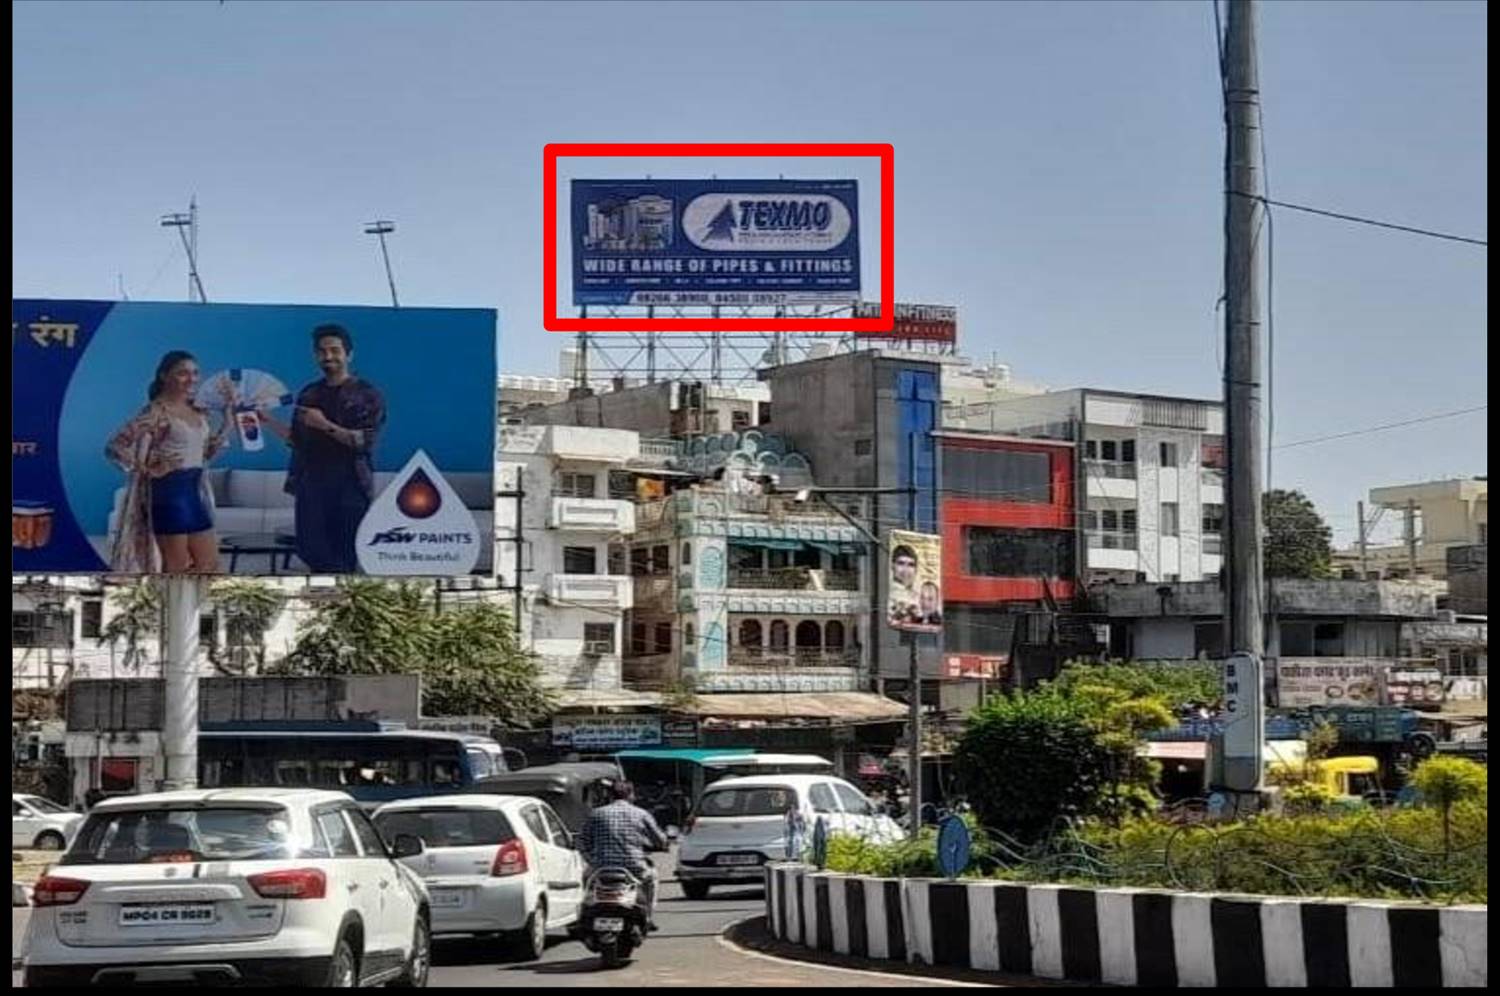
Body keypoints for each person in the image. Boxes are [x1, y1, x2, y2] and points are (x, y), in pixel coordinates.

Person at [261, 324, 385, 573]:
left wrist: (324, 425)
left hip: (350, 483)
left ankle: (338, 593)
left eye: (334, 350)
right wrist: (267, 421)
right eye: (321, 351)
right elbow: (297, 440)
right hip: (311, 481)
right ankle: (330, 586)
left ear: (348, 354)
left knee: (345, 549)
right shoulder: (309, 393)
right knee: (309, 548)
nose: (328, 356)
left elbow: (364, 442)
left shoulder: (367, 394)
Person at [106, 351, 232, 573]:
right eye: (182, 373)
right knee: (176, 567)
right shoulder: (156, 412)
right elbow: (115, 447)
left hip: (194, 491)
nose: (191, 379)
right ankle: (169, 605)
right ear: (165, 376)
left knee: (209, 565)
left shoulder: (199, 410)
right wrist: (145, 468)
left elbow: (205, 455)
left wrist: (228, 420)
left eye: (195, 373)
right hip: (168, 493)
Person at [575, 780, 667, 930]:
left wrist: (590, 858)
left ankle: (583, 913)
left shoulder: (596, 814)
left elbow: (582, 840)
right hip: (634, 867)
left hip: (601, 867)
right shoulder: (641, 814)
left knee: (586, 881)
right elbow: (659, 839)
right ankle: (648, 917)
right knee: (651, 879)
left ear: (610, 796)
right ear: (630, 795)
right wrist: (663, 845)